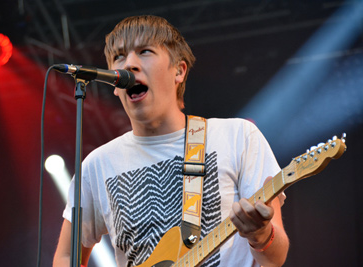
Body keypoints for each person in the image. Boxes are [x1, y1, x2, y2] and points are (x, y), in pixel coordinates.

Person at [53, 15, 289, 267]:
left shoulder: (237, 137)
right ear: (114, 83)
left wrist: (260, 234)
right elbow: (67, 256)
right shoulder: (97, 166)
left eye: (144, 51)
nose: (129, 64)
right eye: (119, 57)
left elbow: (276, 258)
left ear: (179, 70)